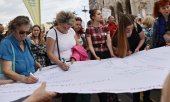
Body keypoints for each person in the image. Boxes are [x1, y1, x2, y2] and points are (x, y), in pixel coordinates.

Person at [46, 11, 79, 102]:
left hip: (72, 64)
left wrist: (74, 57)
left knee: (74, 91)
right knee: (66, 93)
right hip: (59, 66)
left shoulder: (71, 31)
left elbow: (77, 46)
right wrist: (61, 64)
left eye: (69, 26)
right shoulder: (52, 33)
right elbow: (49, 52)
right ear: (59, 23)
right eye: (64, 26)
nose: (66, 28)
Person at [86, 9, 118, 102]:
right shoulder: (89, 29)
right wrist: (95, 56)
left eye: (101, 14)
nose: (101, 15)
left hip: (106, 53)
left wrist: (112, 54)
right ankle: (103, 99)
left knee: (109, 77)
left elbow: (109, 41)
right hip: (96, 55)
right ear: (93, 17)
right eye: (99, 14)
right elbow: (90, 45)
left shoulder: (105, 27)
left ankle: (113, 99)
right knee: (100, 79)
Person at [0, 16, 38, 83]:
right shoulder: (6, 43)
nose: (25, 35)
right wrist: (24, 79)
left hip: (32, 79)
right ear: (13, 30)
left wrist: (36, 63)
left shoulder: (27, 41)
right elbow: (6, 70)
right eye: (22, 32)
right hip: (17, 84)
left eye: (28, 32)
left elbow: (26, 58)